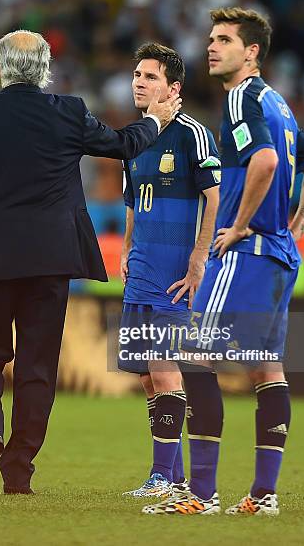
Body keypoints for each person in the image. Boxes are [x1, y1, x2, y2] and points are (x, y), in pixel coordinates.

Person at [0, 30, 181, 495]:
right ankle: (18, 473)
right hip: (50, 258)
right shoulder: (69, 112)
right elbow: (121, 145)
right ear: (44, 70)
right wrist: (157, 120)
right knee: (37, 366)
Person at [143, 7, 304, 516]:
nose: (211, 47)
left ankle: (201, 496)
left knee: (194, 358)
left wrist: (244, 223)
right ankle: (263, 495)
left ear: (251, 53)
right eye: (210, 39)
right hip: (277, 256)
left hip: (244, 254)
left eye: (224, 40)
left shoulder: (240, 98)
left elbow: (267, 162)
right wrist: (292, 232)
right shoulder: (281, 105)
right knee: (265, 369)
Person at [118, 43, 220, 497]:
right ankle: (173, 476)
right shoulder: (133, 138)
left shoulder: (193, 134)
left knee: (164, 368)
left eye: (150, 76)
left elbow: (214, 199)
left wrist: (200, 260)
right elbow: (130, 202)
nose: (139, 82)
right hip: (140, 271)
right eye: (137, 75)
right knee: (145, 374)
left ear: (173, 87)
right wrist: (125, 250)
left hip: (176, 275)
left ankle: (161, 478)